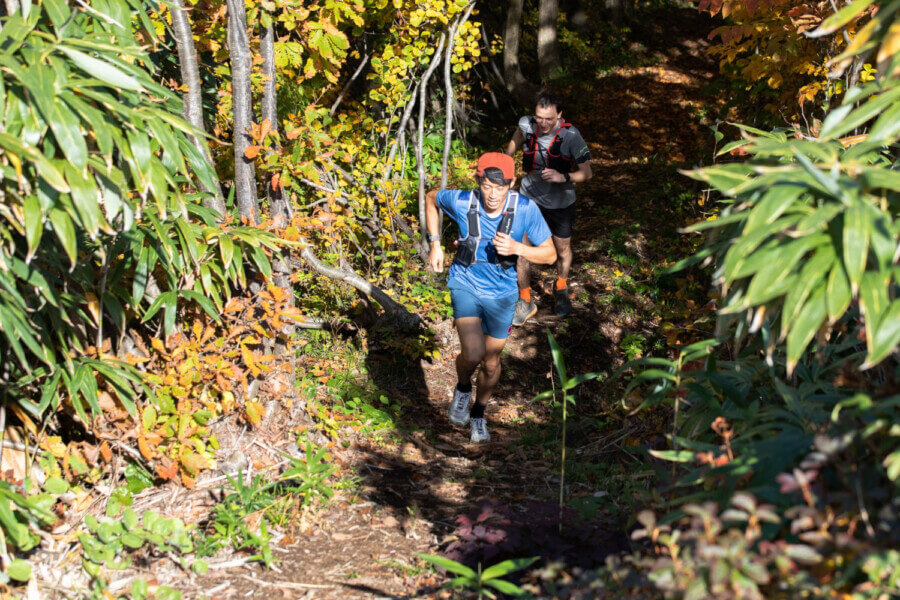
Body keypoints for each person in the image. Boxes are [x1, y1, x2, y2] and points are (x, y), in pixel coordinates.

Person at [425, 152, 556, 443]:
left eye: (501, 187)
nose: (493, 194)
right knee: (473, 353)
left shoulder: (525, 209)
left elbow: (550, 253)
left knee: (492, 362)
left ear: (512, 184)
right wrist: (435, 244)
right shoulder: (461, 201)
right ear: (478, 181)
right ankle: (461, 389)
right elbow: (431, 198)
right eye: (487, 186)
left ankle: (478, 414)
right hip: (465, 282)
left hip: (503, 293)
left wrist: (518, 248)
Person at [504, 91, 592, 323]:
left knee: (562, 251)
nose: (542, 123)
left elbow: (587, 173)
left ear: (559, 115)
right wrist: (506, 164)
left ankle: (560, 286)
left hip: (560, 203)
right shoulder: (527, 124)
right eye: (539, 117)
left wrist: (563, 176)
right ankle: (525, 300)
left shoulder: (571, 136)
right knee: (521, 250)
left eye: (548, 119)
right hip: (528, 200)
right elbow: (516, 139)